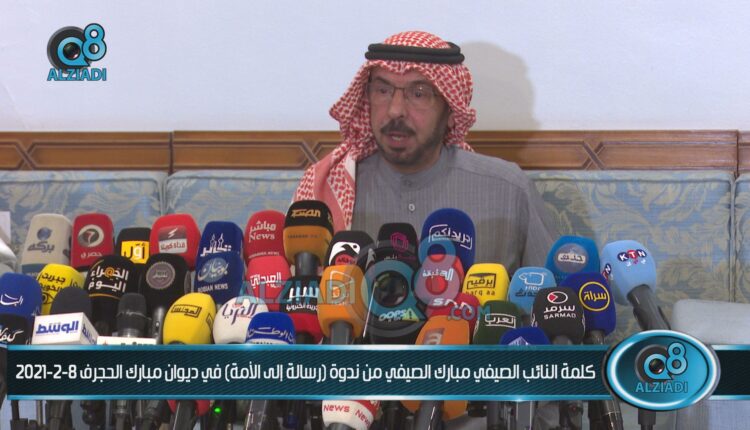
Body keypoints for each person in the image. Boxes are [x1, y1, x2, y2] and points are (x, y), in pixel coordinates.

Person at [294, 30, 558, 273]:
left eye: (419, 94)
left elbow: (554, 292)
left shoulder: (508, 189)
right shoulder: (327, 193)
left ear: (452, 111)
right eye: (383, 90)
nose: (395, 110)